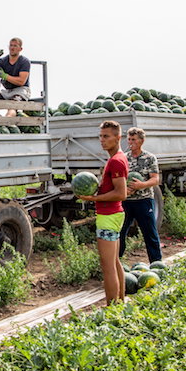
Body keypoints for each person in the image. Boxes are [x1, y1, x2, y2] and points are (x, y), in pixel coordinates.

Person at [76, 120, 129, 304]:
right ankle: (120, 303)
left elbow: (121, 193)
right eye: (100, 136)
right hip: (113, 215)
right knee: (114, 262)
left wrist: (94, 199)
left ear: (118, 137)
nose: (102, 140)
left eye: (106, 136)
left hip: (109, 216)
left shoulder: (116, 161)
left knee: (108, 267)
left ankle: (111, 309)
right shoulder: (116, 158)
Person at [119, 127, 163, 263]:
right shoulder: (123, 158)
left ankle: (156, 263)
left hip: (144, 201)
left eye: (134, 139)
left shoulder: (149, 158)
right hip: (126, 201)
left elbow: (155, 179)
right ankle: (117, 263)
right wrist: (125, 189)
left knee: (150, 233)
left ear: (141, 141)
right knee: (120, 233)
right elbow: (119, 178)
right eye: (129, 139)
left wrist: (141, 185)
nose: (130, 142)